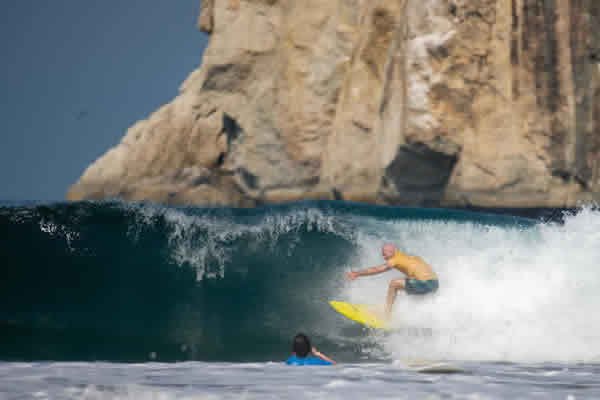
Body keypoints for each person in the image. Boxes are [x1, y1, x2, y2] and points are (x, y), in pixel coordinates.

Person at [346, 243, 438, 319]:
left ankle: (387, 313)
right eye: (382, 253)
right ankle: (419, 317)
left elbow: (377, 269)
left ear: (392, 252)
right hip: (434, 284)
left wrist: (357, 273)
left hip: (425, 283)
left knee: (394, 283)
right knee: (407, 283)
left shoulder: (394, 260)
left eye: (384, 253)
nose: (383, 256)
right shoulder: (410, 257)